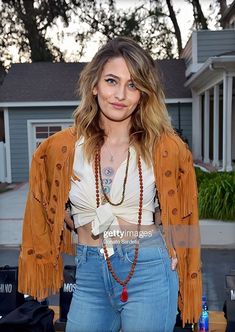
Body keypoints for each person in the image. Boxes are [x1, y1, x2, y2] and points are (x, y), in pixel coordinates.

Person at [18, 37, 202, 332]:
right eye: (112, 81)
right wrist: (71, 220)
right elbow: (47, 207)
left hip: (148, 268)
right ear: (94, 85)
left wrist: (181, 252)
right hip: (90, 272)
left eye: (133, 85)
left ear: (143, 94)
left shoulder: (167, 147)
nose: (120, 94)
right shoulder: (59, 148)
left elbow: (184, 211)